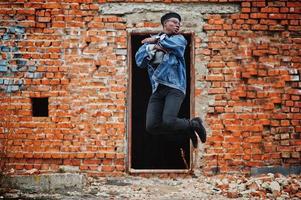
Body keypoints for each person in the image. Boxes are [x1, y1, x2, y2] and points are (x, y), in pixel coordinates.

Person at [135, 12, 206, 148]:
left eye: (179, 23)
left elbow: (176, 47)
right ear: (165, 23)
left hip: (175, 87)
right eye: (174, 22)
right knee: (151, 126)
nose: (177, 24)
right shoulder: (153, 41)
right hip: (157, 89)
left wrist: (154, 42)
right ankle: (188, 128)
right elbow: (140, 60)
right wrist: (155, 46)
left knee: (168, 121)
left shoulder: (179, 39)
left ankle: (194, 123)